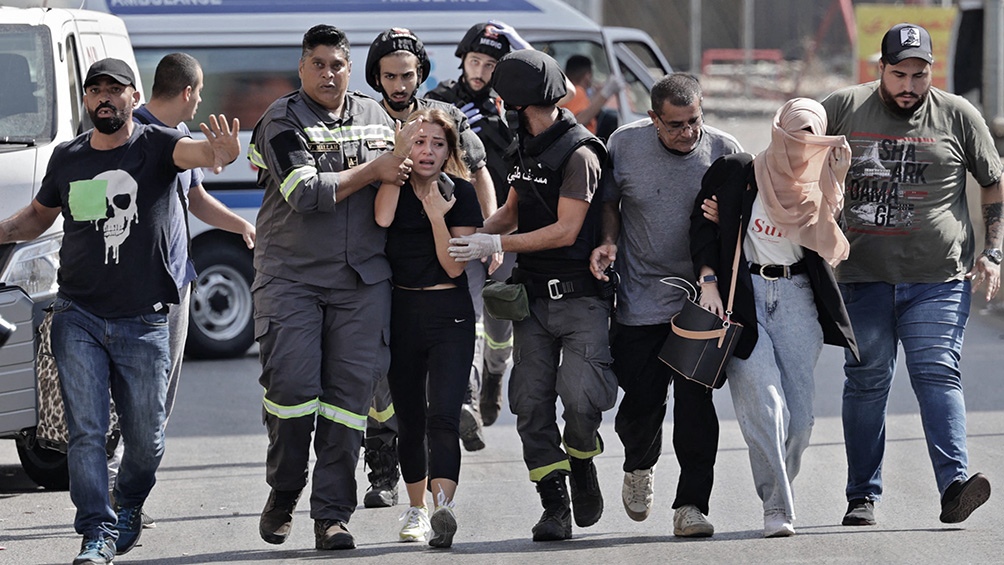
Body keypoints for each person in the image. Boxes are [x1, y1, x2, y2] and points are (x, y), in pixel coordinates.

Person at [0, 57, 239, 565]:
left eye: (116, 89)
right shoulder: (66, 159)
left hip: (144, 320)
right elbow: (35, 218)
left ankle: (128, 502)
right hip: (78, 315)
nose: (105, 97)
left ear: (135, 98)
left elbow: (197, 153)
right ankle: (97, 532)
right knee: (86, 433)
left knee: (147, 441)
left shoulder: (157, 147)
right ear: (86, 100)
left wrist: (216, 152)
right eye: (95, 90)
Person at [821, 22, 1001, 527]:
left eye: (919, 75)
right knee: (867, 381)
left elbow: (993, 182)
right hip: (861, 276)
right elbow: (798, 160)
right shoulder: (843, 107)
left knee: (937, 372)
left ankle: (954, 486)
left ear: (931, 73)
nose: (909, 85)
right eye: (898, 74)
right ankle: (862, 495)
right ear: (880, 69)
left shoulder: (958, 115)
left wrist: (994, 252)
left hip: (937, 279)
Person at [248, 24, 420, 551]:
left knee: (348, 404)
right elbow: (304, 193)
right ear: (302, 67)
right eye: (318, 64)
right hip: (291, 280)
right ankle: (284, 491)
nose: (328, 74)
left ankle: (331, 516)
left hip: (361, 282)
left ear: (351, 68)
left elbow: (414, 171)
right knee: (294, 396)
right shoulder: (281, 120)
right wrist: (378, 170)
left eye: (337, 65)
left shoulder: (377, 117)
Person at [448, 49, 616, 542]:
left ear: (519, 104)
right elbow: (514, 209)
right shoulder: (524, 144)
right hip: (535, 301)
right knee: (530, 403)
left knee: (583, 400)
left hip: (582, 298)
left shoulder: (580, 154)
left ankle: (583, 461)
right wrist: (473, 236)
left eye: (503, 99)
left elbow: (566, 230)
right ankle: (554, 503)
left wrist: (497, 243)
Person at [690, 98, 858, 537]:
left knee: (799, 422)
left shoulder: (820, 182)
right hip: (744, 297)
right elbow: (701, 228)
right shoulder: (738, 173)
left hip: (799, 297)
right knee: (767, 407)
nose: (799, 146)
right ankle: (776, 508)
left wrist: (835, 182)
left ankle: (778, 487)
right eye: (792, 135)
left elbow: (828, 245)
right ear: (777, 129)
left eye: (810, 137)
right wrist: (708, 281)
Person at [588, 73, 741, 538]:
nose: (687, 133)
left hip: (700, 299)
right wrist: (609, 242)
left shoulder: (723, 149)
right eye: (675, 125)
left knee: (696, 405)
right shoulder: (624, 145)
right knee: (641, 404)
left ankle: (691, 505)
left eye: (693, 121)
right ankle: (639, 465)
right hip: (639, 296)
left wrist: (728, 216)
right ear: (653, 118)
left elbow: (749, 218)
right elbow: (609, 204)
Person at [107, 52, 256, 527]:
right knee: (135, 395)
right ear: (189, 91)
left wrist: (241, 227)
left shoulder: (183, 141)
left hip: (176, 279)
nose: (199, 102)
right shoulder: (136, 134)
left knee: (160, 395)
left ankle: (128, 494)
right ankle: (117, 493)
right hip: (137, 288)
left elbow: (196, 198)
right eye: (200, 93)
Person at [360, 29, 494, 494]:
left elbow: (478, 173)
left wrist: (489, 237)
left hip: (449, 243)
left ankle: (468, 398)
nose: (399, 84)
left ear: (421, 75)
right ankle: (383, 468)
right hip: (383, 264)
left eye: (408, 75)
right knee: (388, 382)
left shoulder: (444, 117)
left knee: (458, 330)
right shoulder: (363, 116)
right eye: (390, 75)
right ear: (376, 76)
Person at [375, 107, 482, 548]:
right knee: (410, 420)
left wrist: (437, 213)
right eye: (420, 142)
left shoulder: (462, 193)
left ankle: (443, 510)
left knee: (442, 417)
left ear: (449, 150)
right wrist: (393, 170)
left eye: (438, 144)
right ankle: (416, 509)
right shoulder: (393, 188)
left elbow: (453, 268)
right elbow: (381, 220)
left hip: (450, 314)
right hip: (402, 312)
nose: (428, 151)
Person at [427, 20, 527, 437]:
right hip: (462, 226)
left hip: (509, 226)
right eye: (474, 61)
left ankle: (493, 377)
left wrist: (516, 42)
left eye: (490, 64)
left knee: (500, 322)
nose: (480, 71)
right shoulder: (441, 101)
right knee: (463, 315)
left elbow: (561, 91)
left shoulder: (516, 102)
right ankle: (466, 397)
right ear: (462, 60)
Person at [562, 54, 624, 138]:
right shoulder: (577, 92)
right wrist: (605, 93)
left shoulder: (567, 92)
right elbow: (578, 121)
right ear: (588, 76)